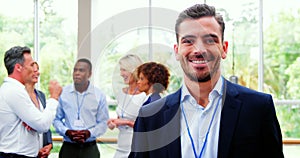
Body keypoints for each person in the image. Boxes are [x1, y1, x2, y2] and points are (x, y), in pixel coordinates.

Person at [129, 4, 284, 158]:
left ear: (224, 48)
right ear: (177, 51)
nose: (199, 50)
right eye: (188, 41)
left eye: (210, 40)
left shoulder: (258, 108)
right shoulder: (149, 117)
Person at [0, 46, 62, 158]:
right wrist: (54, 97)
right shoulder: (14, 91)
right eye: (31, 65)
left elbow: (35, 124)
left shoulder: (16, 90)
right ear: (18, 67)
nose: (35, 70)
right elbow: (42, 124)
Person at [53, 58, 109, 158]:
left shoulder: (99, 95)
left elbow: (103, 122)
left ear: (89, 74)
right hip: (68, 148)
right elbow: (56, 119)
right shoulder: (63, 93)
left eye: (81, 70)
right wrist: (66, 131)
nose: (77, 73)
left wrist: (89, 133)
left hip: (89, 149)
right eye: (75, 70)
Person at [107, 54, 146, 158]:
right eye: (121, 70)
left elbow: (147, 126)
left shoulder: (144, 96)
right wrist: (114, 123)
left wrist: (126, 122)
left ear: (134, 70)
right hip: (121, 147)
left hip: (136, 148)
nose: (121, 74)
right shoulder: (121, 94)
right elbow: (121, 118)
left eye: (124, 70)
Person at [24, 62, 53, 158]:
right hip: (26, 152)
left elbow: (45, 120)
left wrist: (49, 144)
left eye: (38, 70)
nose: (37, 73)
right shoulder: (19, 96)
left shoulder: (41, 95)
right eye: (34, 70)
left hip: (42, 153)